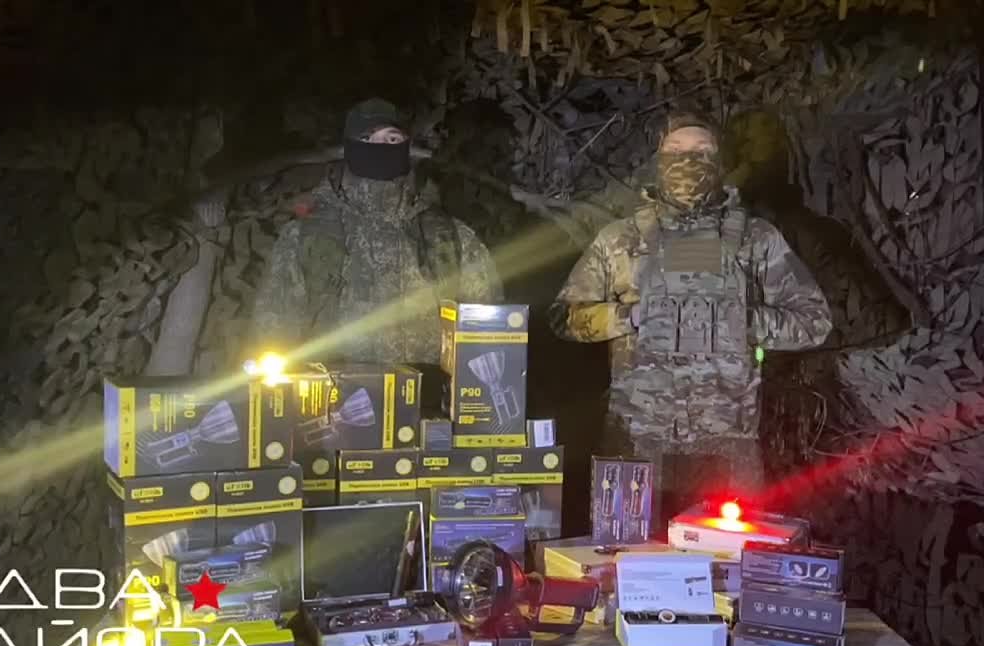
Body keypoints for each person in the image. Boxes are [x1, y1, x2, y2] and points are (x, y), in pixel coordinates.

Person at [550, 111, 832, 525]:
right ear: (658, 159)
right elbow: (564, 318)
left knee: (727, 558)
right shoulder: (620, 239)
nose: (688, 159)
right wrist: (629, 316)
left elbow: (814, 321)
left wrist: (744, 323)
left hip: (727, 441)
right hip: (637, 439)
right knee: (626, 556)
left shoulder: (756, 239)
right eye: (676, 149)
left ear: (720, 161)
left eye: (702, 149)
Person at [251, 98, 503, 365]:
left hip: (428, 388)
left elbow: (487, 333)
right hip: (334, 387)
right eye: (368, 138)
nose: (382, 147)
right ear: (351, 148)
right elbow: (273, 332)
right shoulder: (306, 237)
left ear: (406, 147)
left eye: (392, 139)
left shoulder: (450, 236)